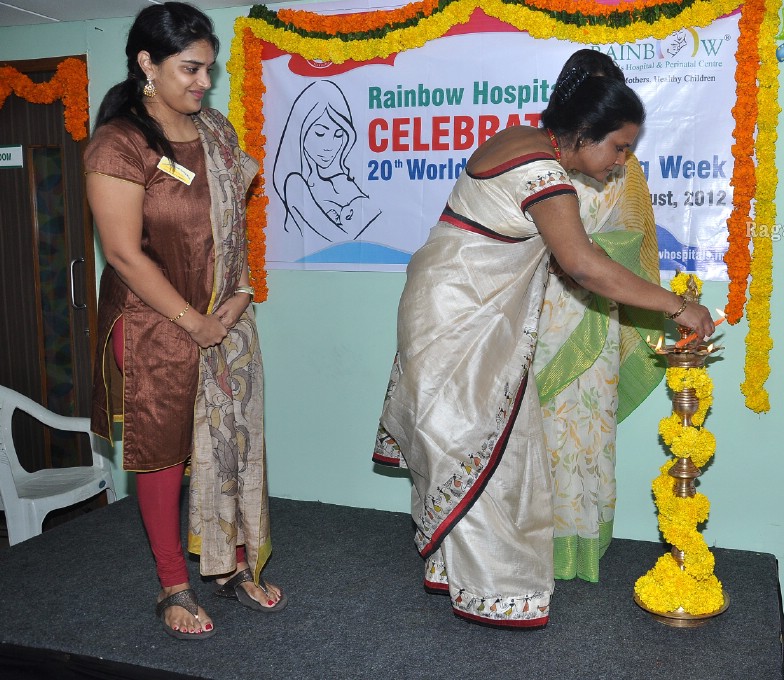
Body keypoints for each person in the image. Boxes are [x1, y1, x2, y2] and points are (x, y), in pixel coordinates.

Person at [372, 49, 715, 629]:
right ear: (583, 132)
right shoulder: (544, 174)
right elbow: (583, 266)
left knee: (477, 442)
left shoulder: (523, 139)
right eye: (619, 147)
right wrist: (680, 307)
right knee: (484, 451)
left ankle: (456, 571)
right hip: (459, 314)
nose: (620, 163)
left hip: (457, 306)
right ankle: (495, 589)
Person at [86, 2, 286, 641]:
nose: (204, 82)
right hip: (152, 321)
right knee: (164, 455)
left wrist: (239, 293)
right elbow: (121, 252)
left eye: (209, 69)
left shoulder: (218, 132)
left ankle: (228, 565)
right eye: (190, 69)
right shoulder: (120, 142)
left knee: (230, 442)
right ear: (147, 63)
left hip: (221, 317)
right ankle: (173, 585)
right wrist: (192, 321)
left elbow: (229, 228)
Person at [533, 49, 665, 583]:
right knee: (533, 431)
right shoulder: (540, 163)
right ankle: (523, 544)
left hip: (594, 315)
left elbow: (632, 241)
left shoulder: (622, 168)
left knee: (584, 434)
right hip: (537, 313)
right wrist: (566, 251)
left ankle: (576, 550)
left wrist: (587, 252)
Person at [272, 80, 380, 242]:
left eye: (338, 135)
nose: (329, 146)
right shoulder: (294, 182)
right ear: (301, 132)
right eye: (320, 133)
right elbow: (337, 239)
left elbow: (375, 213)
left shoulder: (341, 179)